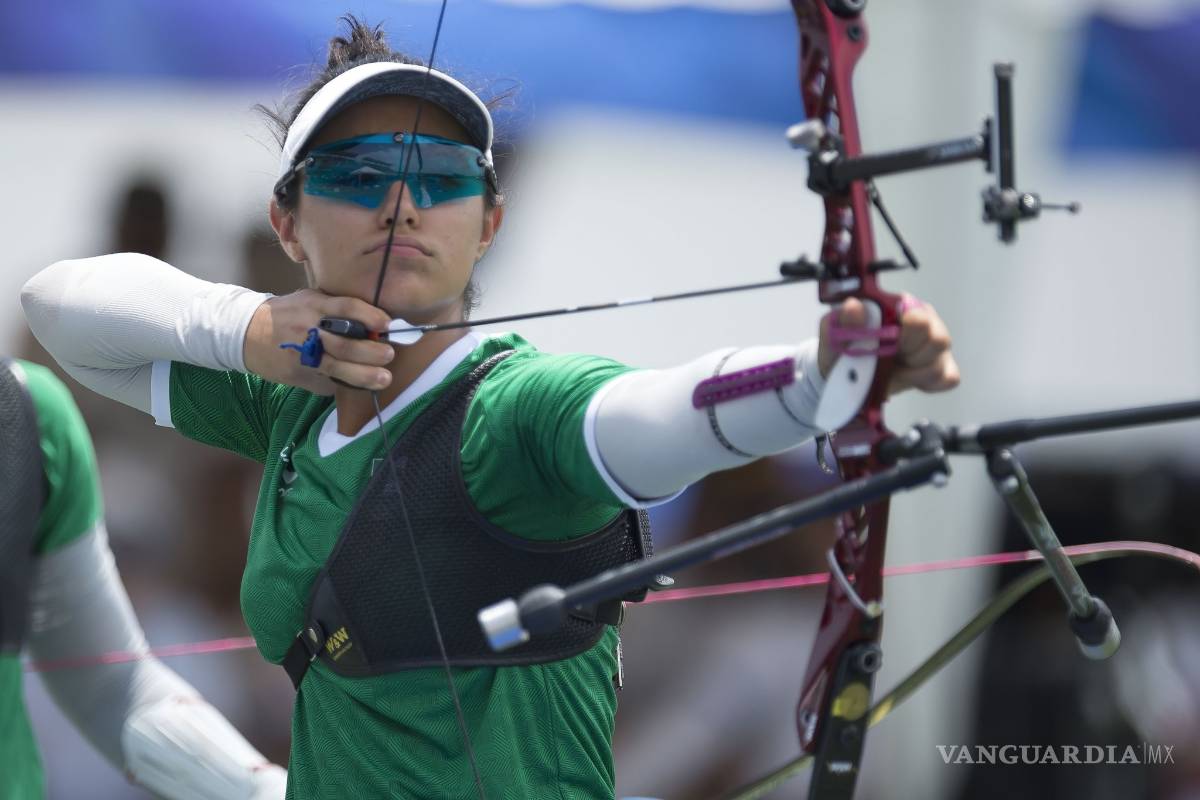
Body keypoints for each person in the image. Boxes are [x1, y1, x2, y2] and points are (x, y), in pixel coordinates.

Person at [21, 16, 958, 799]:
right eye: (355, 176)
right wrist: (251, 328)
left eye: (441, 177)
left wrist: (818, 372)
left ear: (489, 223)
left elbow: (657, 411)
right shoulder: (285, 407)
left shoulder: (512, 411)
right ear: (287, 224)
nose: (401, 203)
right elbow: (60, 308)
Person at [0, 358, 287, 799]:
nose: (128, 565)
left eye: (137, 550)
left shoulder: (29, 413)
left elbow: (112, 688)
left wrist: (270, 791)